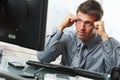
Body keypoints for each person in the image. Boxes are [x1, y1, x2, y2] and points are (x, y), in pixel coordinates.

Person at [37, 0, 120, 73]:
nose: (81, 28)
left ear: (97, 24)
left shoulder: (110, 45)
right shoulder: (68, 38)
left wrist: (104, 36)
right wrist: (61, 26)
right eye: (79, 21)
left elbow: (116, 73)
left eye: (88, 23)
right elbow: (42, 57)